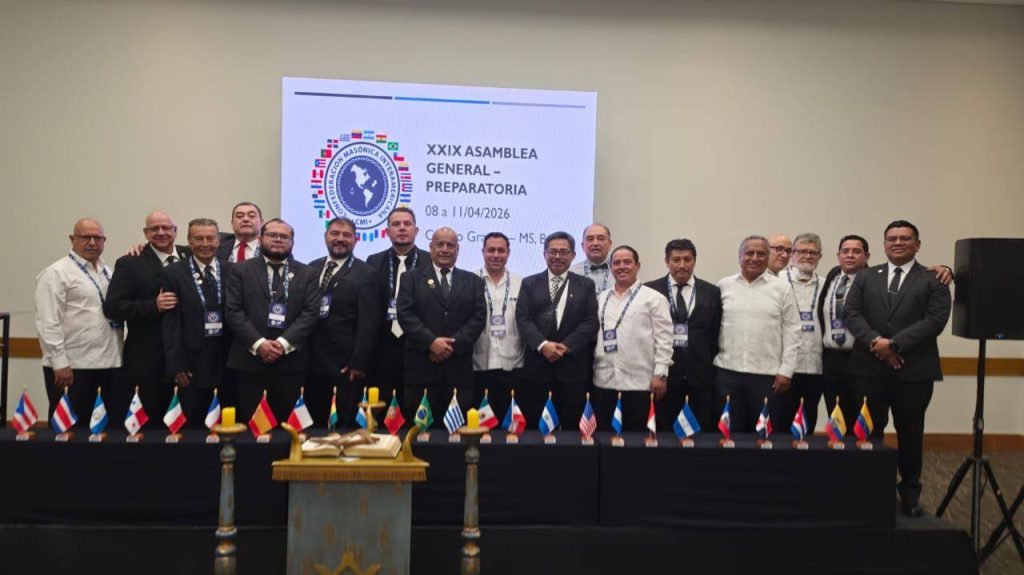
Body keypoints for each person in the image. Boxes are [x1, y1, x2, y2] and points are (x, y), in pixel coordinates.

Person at [845, 220, 951, 518]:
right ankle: (870, 490)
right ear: (884, 244)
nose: (898, 243)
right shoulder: (866, 277)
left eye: (905, 238)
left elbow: (935, 321)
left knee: (911, 433)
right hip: (869, 370)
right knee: (868, 432)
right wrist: (876, 342)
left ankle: (910, 493)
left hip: (913, 372)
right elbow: (851, 314)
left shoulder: (934, 279)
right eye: (892, 238)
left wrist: (894, 345)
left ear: (917, 244)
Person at [224, 218, 320, 422]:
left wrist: (282, 344)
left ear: (292, 242)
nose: (278, 239)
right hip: (250, 363)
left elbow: (311, 313)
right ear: (260, 239)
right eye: (272, 235)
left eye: (284, 236)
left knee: (289, 428)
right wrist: (259, 344)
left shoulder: (308, 273)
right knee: (253, 428)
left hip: (291, 364)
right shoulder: (240, 270)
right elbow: (233, 311)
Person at [34, 218, 123, 425]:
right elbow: (48, 322)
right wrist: (60, 363)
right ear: (72, 239)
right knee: (70, 430)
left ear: (104, 241)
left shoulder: (108, 272)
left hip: (109, 365)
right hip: (72, 367)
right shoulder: (56, 273)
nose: (92, 242)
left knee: (104, 430)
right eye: (85, 237)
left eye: (97, 238)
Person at [104, 211, 189, 420]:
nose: (161, 232)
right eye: (154, 229)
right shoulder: (130, 262)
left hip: (186, 356)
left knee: (186, 420)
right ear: (145, 233)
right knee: (149, 420)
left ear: (175, 230)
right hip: (147, 359)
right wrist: (153, 305)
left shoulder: (191, 255)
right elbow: (113, 307)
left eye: (166, 228)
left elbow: (221, 240)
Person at [396, 228, 486, 422]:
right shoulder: (410, 278)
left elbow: (478, 318)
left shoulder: (474, 282)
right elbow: (405, 315)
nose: (445, 249)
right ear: (430, 248)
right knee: (419, 433)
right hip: (421, 371)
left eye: (450, 245)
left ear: (457, 250)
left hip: (458, 373)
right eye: (440, 244)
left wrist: (450, 346)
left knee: (457, 434)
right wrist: (431, 342)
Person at [714, 235, 801, 432]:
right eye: (749, 253)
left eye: (761, 254)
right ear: (739, 257)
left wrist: (786, 371)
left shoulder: (782, 289)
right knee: (729, 435)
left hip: (767, 378)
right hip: (728, 374)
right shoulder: (723, 286)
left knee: (764, 436)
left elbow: (793, 331)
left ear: (768, 257)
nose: (754, 258)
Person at [516, 232, 599, 427]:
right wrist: (543, 345)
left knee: (571, 429)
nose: (558, 256)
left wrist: (566, 346)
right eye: (552, 251)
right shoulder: (529, 283)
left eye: (564, 252)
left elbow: (590, 321)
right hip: (537, 368)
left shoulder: (586, 285)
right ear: (544, 254)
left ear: (573, 255)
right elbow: (523, 318)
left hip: (572, 369)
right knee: (536, 428)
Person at [306, 217, 381, 428]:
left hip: (345, 367)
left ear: (356, 240)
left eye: (347, 235)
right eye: (335, 234)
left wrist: (358, 362)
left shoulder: (366, 273)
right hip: (310, 363)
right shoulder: (311, 268)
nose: (340, 239)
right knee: (314, 427)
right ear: (325, 237)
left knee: (342, 427)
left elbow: (369, 323)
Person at [160, 218, 232, 427]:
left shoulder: (233, 270)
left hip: (227, 362)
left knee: (227, 424)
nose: (205, 244)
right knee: (193, 427)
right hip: (191, 365)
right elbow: (171, 322)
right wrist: (177, 364)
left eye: (210, 238)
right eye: (199, 239)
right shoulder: (173, 273)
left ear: (218, 240)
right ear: (189, 241)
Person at [643, 239, 721, 431]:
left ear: (695, 261)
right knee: (664, 434)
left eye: (687, 259)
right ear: (666, 261)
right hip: (664, 378)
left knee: (699, 434)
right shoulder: (650, 290)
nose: (682, 265)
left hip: (700, 378)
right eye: (676, 260)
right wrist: (657, 372)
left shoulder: (712, 292)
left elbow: (715, 335)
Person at [592, 246, 673, 430]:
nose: (622, 267)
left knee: (635, 441)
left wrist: (660, 374)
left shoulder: (654, 299)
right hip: (603, 383)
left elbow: (665, 340)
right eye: (616, 263)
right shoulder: (601, 299)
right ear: (611, 267)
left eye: (627, 262)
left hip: (640, 385)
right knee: (604, 439)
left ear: (638, 266)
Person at [366, 207, 431, 417]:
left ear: (416, 230)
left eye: (407, 224)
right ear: (387, 232)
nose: (402, 228)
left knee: (416, 412)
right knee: (384, 413)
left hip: (419, 348)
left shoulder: (430, 261)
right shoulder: (373, 262)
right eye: (396, 224)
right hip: (383, 349)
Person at [816, 235, 871, 430]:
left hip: (860, 358)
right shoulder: (833, 276)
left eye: (856, 251)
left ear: (867, 256)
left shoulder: (873, 281)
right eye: (845, 251)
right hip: (831, 358)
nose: (850, 255)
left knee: (862, 418)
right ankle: (838, 448)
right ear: (838, 255)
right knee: (836, 415)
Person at [471, 232, 524, 419]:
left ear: (508, 253)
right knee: (481, 424)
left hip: (513, 365)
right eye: (491, 250)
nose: (495, 255)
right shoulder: (469, 281)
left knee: (511, 425)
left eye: (501, 250)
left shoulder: (521, 283)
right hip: (478, 365)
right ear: (483, 252)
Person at [779, 233, 825, 431]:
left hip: (815, 367)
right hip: (783, 368)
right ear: (792, 254)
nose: (808, 256)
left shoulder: (826, 285)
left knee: (807, 423)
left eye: (813, 252)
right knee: (780, 423)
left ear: (820, 256)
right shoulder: (778, 281)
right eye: (802, 251)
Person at [570, 223, 614, 293]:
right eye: (590, 239)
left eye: (600, 239)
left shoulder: (620, 271)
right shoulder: (572, 273)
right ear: (582, 246)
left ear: (609, 244)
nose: (595, 243)